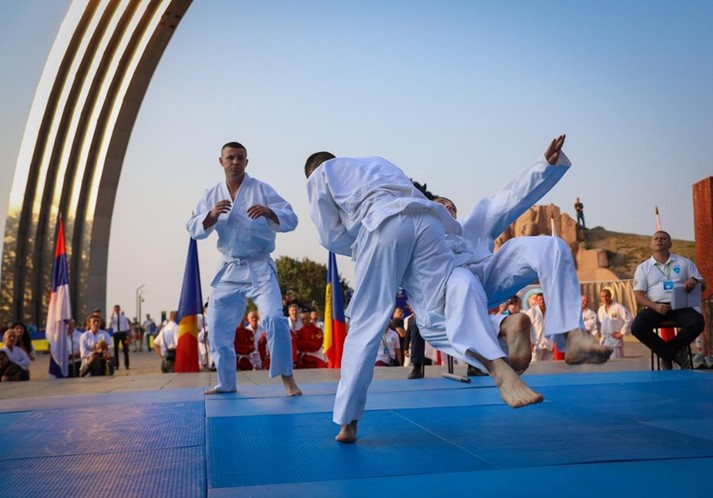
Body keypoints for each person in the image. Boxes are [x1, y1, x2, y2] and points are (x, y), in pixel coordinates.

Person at [305, 151, 543, 443]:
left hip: (382, 225)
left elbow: (329, 236)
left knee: (368, 323)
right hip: (427, 222)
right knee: (434, 315)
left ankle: (347, 421)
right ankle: (500, 331)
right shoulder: (377, 162)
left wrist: (361, 247)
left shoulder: (321, 174)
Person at [423, 135, 610, 368]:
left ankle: (572, 335)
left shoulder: (471, 226)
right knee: (460, 291)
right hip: (447, 297)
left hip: (487, 280)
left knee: (552, 246)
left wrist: (544, 165)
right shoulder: (419, 241)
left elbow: (508, 199)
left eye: (451, 204)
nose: (449, 205)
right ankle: (502, 347)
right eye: (442, 203)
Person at [186, 141, 301, 395]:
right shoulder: (211, 194)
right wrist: (211, 215)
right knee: (217, 326)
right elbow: (192, 227)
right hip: (229, 268)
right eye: (230, 158)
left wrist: (269, 212)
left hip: (259, 267)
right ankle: (226, 382)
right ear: (221, 161)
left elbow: (292, 219)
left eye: (240, 158)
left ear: (246, 162)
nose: (235, 162)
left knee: (274, 318)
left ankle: (288, 379)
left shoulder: (261, 189)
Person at [631, 230, 705, 369]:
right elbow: (638, 295)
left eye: (663, 238)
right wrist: (655, 306)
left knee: (697, 322)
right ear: (651, 245)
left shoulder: (684, 262)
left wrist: (694, 280)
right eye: (656, 238)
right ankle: (673, 353)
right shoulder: (643, 268)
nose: (659, 240)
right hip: (655, 307)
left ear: (670, 244)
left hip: (681, 306)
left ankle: (667, 353)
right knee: (637, 327)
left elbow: (703, 285)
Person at [109, 304, 131, 370]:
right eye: (115, 309)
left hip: (123, 333)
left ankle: (127, 365)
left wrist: (127, 335)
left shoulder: (123, 317)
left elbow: (127, 327)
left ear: (119, 309)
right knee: (116, 350)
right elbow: (110, 324)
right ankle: (116, 365)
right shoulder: (113, 317)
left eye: (118, 309)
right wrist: (112, 315)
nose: (117, 310)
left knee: (125, 349)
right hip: (116, 334)